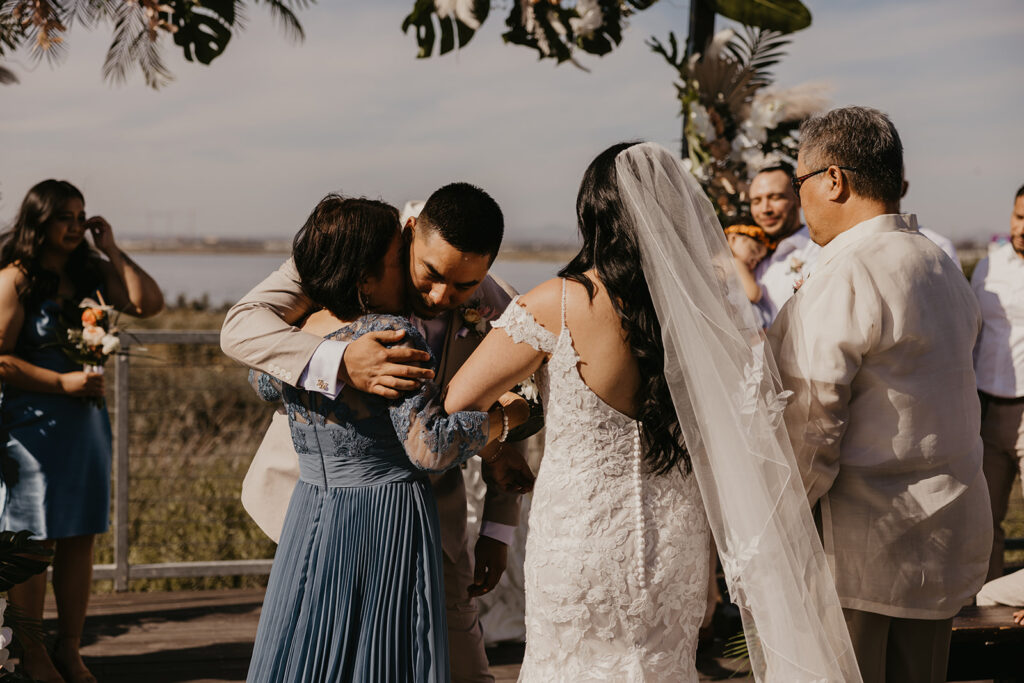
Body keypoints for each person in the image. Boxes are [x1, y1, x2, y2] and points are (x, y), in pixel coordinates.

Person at [443, 142, 859, 681]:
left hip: (581, 540)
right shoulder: (701, 311)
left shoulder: (558, 303)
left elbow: (456, 403)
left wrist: (514, 419)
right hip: (677, 541)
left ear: (593, 217)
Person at [220, 182, 533, 683]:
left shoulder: (499, 309)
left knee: (461, 662)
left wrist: (498, 530)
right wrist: (340, 360)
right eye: (431, 275)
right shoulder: (345, 254)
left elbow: (505, 398)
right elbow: (240, 329)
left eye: (462, 287)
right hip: (319, 506)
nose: (441, 297)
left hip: (434, 517)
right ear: (411, 234)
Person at [768, 106, 991, 683]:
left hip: (862, 546)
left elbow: (812, 426)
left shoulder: (847, 272)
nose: (799, 201)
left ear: (833, 180)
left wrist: (775, 520)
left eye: (800, 183)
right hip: (944, 531)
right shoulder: (939, 263)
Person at [0, 179, 163, 683]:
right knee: (35, 538)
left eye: (81, 216)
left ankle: (69, 649)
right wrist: (63, 382)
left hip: (86, 424)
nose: (75, 225)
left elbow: (147, 303)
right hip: (34, 427)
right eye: (64, 217)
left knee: (81, 535)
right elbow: (1, 360)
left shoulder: (90, 273)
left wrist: (110, 248)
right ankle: (32, 654)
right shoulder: (14, 279)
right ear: (39, 221)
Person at [971, 184, 1024, 583]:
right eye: (1019, 217)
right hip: (988, 405)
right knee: (984, 516)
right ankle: (986, 601)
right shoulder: (989, 266)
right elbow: (973, 331)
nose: (1022, 227)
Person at [749, 164, 820, 323]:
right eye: (756, 201)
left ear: (798, 199)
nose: (765, 209)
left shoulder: (818, 249)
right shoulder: (749, 256)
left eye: (775, 197)